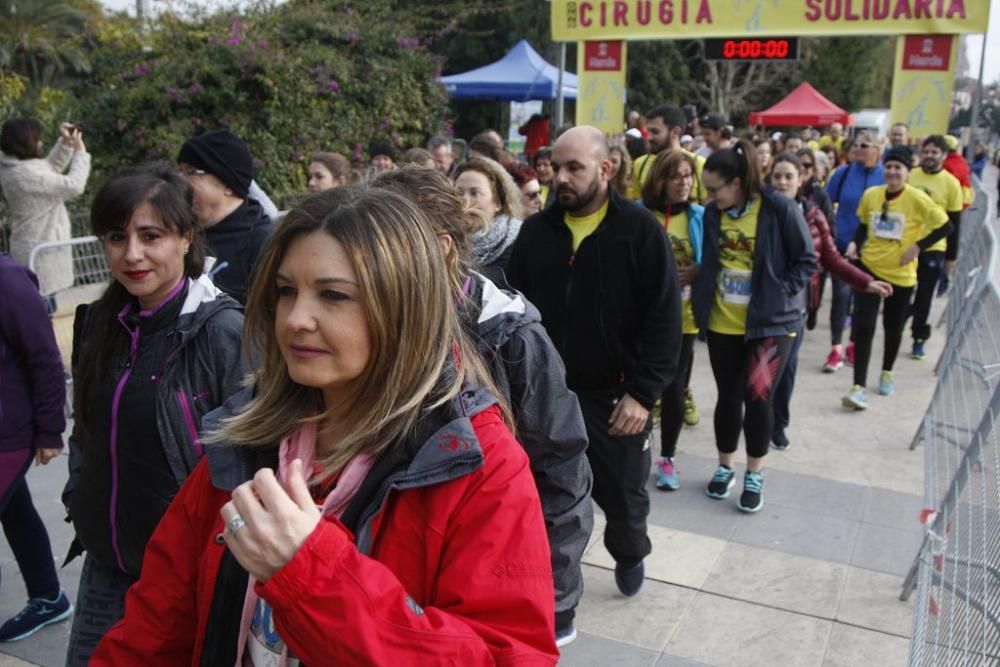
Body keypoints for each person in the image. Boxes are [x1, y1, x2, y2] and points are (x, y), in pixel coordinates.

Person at [90, 188, 558, 666]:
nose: (295, 319)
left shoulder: (478, 463)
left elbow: (509, 656)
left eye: (333, 295)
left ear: (403, 308)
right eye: (286, 291)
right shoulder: (245, 439)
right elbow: (155, 625)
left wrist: (310, 574)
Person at [374, 166, 593, 647]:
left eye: (384, 244)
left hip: (489, 579)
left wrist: (551, 595)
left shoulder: (510, 336)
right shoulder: (370, 323)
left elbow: (561, 470)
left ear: (442, 246)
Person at [61, 163, 246, 665]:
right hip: (106, 562)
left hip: (183, 574)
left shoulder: (223, 332)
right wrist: (80, 495)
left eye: (151, 236)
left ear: (186, 237)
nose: (132, 254)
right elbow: (88, 430)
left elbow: (253, 455)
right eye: (117, 237)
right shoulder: (99, 322)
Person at [507, 125, 681, 597]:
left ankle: (629, 552)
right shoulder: (535, 233)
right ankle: (548, 580)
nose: (559, 177)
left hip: (616, 399)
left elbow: (665, 321)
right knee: (543, 497)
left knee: (624, 501)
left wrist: (643, 394)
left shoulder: (640, 231)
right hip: (544, 395)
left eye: (573, 168)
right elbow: (511, 306)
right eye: (556, 167)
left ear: (605, 170)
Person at [691, 141, 815, 512]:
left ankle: (755, 472)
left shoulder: (778, 207)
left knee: (758, 397)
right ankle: (725, 466)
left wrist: (778, 292)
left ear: (738, 181)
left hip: (770, 325)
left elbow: (806, 260)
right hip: (722, 322)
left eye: (715, 189)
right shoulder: (714, 213)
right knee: (727, 397)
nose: (710, 197)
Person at [767, 153, 891, 449]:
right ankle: (757, 421)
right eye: (777, 176)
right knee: (759, 371)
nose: (783, 182)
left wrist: (864, 281)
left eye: (789, 176)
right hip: (761, 305)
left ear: (802, 180)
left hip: (795, 307)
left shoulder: (813, 215)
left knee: (787, 369)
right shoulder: (759, 213)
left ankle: (778, 424)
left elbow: (831, 258)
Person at [842, 146, 951, 409]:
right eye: (888, 166)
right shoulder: (872, 195)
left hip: (901, 275)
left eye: (898, 168)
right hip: (869, 269)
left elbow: (946, 226)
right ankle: (858, 387)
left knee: (893, 327)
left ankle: (887, 372)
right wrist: (855, 244)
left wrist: (917, 247)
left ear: (906, 172)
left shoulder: (917, 199)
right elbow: (864, 226)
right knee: (864, 327)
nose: (892, 172)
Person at [0, 255, 73, 642]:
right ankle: (48, 597)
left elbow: (45, 357)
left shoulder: (8, 279)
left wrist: (49, 430)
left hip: (9, 433)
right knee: (15, 508)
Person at [641, 150, 705, 490]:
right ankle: (638, 451)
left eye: (688, 176)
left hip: (685, 318)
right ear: (660, 180)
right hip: (645, 318)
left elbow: (714, 258)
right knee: (641, 386)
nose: (684, 183)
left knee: (675, 387)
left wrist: (698, 270)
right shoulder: (641, 214)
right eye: (676, 176)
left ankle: (668, 458)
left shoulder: (700, 216)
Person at [177, 128, 273, 305]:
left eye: (191, 172)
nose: (179, 181)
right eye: (180, 172)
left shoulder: (264, 242)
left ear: (228, 184)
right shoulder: (183, 235)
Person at [0, 119, 90, 300]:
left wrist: (65, 142)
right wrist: (80, 151)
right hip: (40, 252)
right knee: (43, 310)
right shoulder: (25, 174)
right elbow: (74, 185)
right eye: (37, 139)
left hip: (33, 246)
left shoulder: (13, 166)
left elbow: (49, 169)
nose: (40, 142)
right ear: (25, 142)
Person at [822, 130, 884, 372]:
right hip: (842, 247)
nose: (858, 148)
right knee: (840, 297)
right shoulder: (843, 173)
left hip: (873, 251)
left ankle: (854, 343)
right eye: (856, 144)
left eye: (865, 145)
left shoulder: (885, 176)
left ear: (878, 149)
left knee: (864, 301)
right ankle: (836, 348)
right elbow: (826, 205)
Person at [906, 135, 963, 360]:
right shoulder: (911, 176)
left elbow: (954, 224)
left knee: (924, 295)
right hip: (907, 244)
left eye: (934, 152)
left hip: (934, 247)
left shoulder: (951, 184)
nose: (929, 156)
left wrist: (951, 257)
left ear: (943, 155)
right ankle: (900, 319)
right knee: (902, 290)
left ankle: (919, 338)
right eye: (926, 151)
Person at [453, 157, 523, 284]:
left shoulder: (519, 241)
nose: (465, 200)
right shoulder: (446, 241)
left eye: (474, 193)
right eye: (459, 192)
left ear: (497, 202)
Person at [629, 105, 708, 204]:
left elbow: (707, 208)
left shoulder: (699, 164)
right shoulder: (640, 164)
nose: (648, 138)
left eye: (655, 132)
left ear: (675, 132)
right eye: (648, 131)